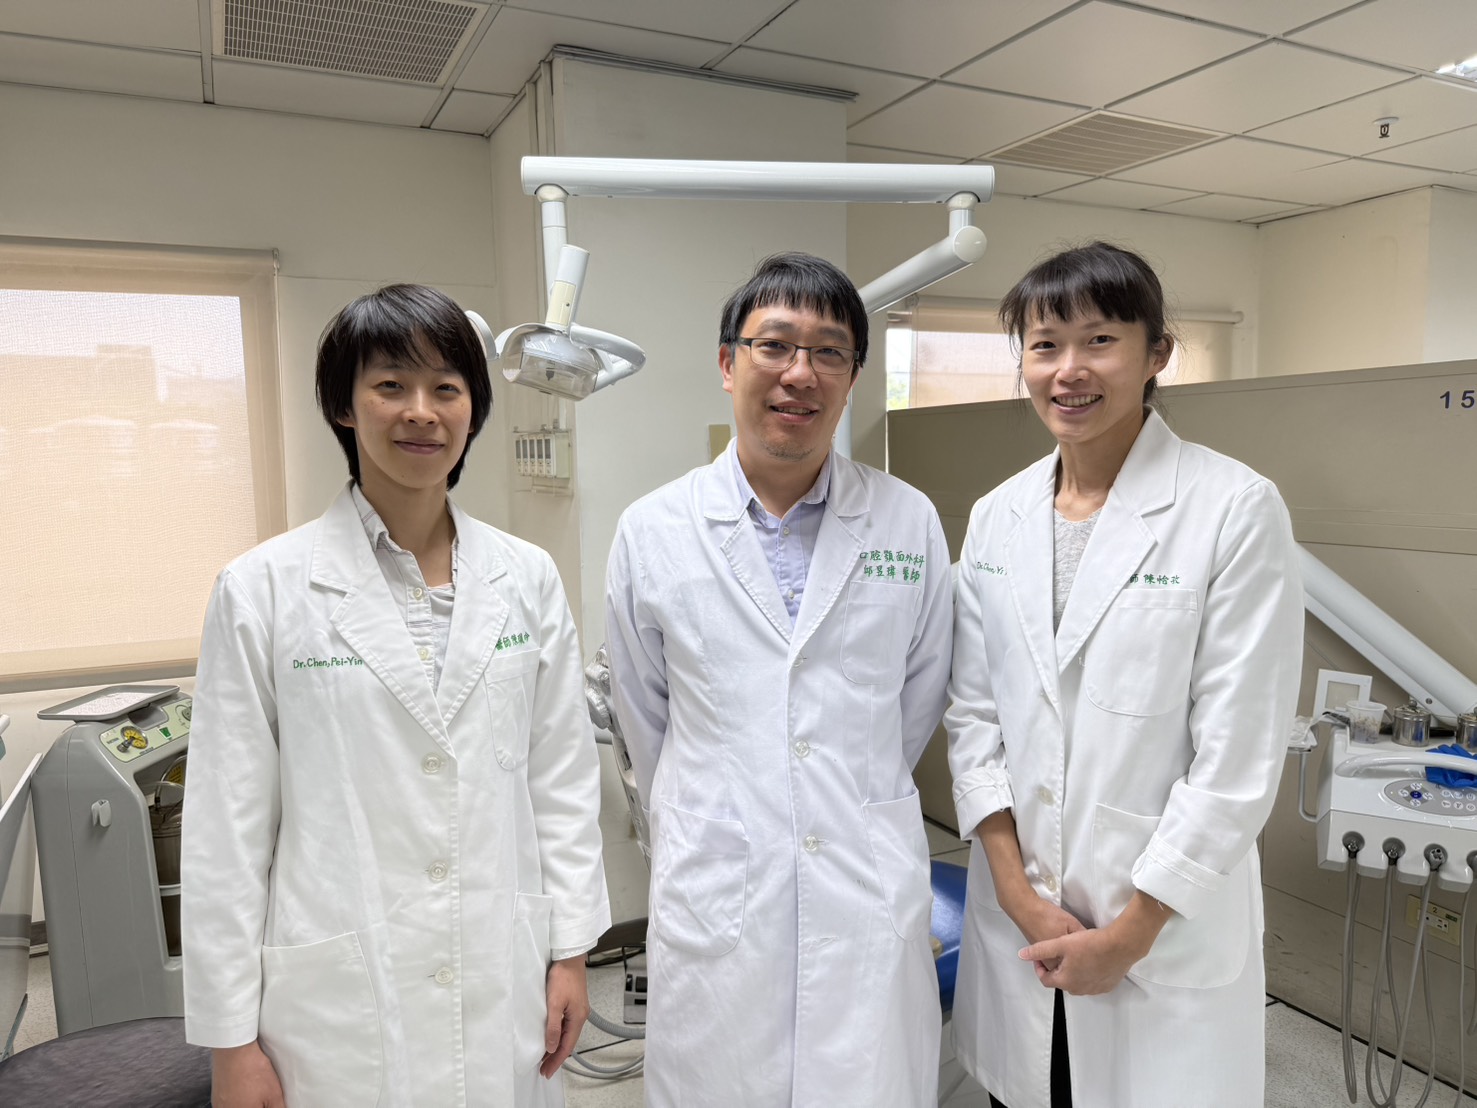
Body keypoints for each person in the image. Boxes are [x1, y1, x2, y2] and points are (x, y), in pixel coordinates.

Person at [181, 284, 610, 1107]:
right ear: (344, 407)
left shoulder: (526, 577)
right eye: (390, 385)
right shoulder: (261, 589)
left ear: (472, 410)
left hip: (500, 971)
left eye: (446, 388)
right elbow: (225, 834)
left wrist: (569, 951)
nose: (421, 412)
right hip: (340, 993)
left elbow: (560, 783)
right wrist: (230, 1040)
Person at [945, 242, 1304, 1108]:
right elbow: (972, 716)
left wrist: (1131, 933)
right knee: (1024, 1092)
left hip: (1157, 934)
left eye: (1099, 340)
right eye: (1044, 345)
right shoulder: (996, 516)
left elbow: (1237, 757)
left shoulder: (1231, 508)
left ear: (1156, 355)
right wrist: (1013, 892)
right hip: (1021, 915)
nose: (1068, 370)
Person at [605, 252, 954, 1106]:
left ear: (853, 377)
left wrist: (836, 780)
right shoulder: (652, 529)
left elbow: (916, 701)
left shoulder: (908, 520)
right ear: (729, 363)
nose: (800, 373)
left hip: (862, 877)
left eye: (829, 352)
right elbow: (645, 718)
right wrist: (732, 794)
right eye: (774, 345)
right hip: (722, 880)